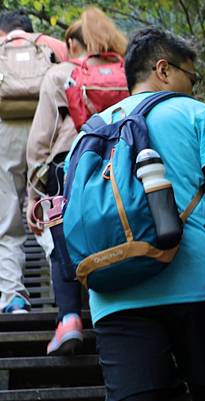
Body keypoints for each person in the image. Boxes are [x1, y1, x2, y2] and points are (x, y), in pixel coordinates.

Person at [89, 28, 205, 401]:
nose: (194, 88)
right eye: (191, 78)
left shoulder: (92, 130)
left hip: (114, 293)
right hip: (194, 288)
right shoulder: (200, 115)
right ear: (163, 70)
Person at [25, 7, 127, 355]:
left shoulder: (60, 74)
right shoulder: (128, 70)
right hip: (117, 162)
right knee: (114, 230)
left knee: (62, 243)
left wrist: (33, 192)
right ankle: (117, 315)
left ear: (72, 42)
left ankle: (69, 319)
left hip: (67, 163)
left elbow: (40, 139)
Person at [0, 10, 67, 314]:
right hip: (48, 131)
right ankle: (65, 293)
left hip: (5, 135)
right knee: (49, 213)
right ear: (29, 30)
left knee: (8, 219)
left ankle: (13, 298)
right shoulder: (51, 45)